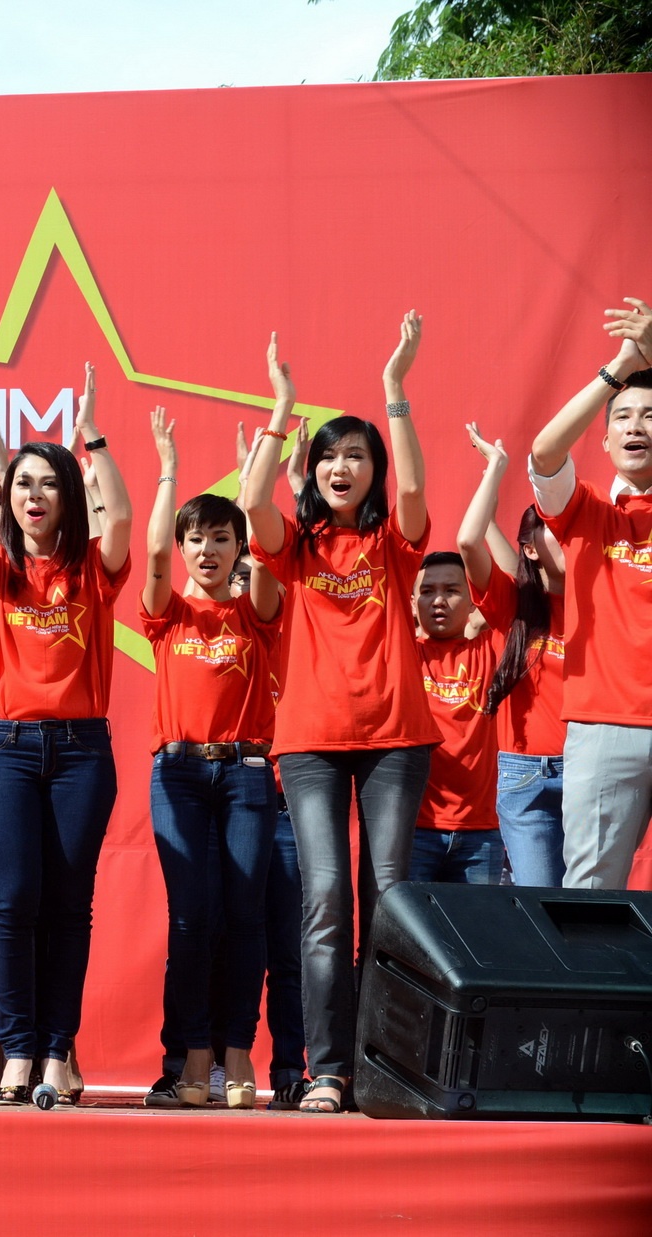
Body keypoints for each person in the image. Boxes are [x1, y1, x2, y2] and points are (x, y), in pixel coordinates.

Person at [240, 320, 439, 1115]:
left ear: (372, 470)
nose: (341, 467)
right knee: (324, 900)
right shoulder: (295, 549)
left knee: (388, 899)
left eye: (355, 456)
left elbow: (416, 494)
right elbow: (251, 500)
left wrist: (395, 390)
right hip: (310, 744)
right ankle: (329, 1070)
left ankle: (386, 1065)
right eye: (329, 456)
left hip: (395, 739)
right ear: (313, 470)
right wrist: (282, 406)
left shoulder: (394, 542)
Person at [0, 364, 131, 1109]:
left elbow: (122, 521)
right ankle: (18, 1049)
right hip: (3, 748)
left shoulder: (91, 570)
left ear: (67, 496)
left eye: (48, 483)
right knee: (12, 900)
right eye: (22, 484)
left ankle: (59, 1050)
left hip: (81, 752)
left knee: (68, 904)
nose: (33, 495)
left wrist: (93, 438)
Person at [138, 407, 282, 1108]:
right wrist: (168, 469)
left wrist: (253, 485)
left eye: (220, 538)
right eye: (196, 538)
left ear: (237, 546)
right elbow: (153, 556)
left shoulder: (256, 610)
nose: (207, 549)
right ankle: (192, 1054)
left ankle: (237, 1051)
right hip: (179, 775)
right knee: (192, 916)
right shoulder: (168, 613)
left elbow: (269, 561)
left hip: (248, 774)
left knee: (245, 917)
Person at [526, 296, 652, 889]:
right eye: (623, 416)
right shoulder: (587, 511)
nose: (636, 427)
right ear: (604, 441)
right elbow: (544, 452)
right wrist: (619, 368)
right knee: (591, 894)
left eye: (650, 415)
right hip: (606, 725)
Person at [404, 425, 520, 884]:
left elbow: (512, 580)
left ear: (474, 600)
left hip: (482, 833)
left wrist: (490, 487)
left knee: (478, 932)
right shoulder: (400, 651)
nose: (438, 600)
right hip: (413, 830)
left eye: (452, 590)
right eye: (427, 591)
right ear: (411, 600)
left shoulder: (492, 647)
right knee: (409, 930)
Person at [485, 504, 568, 888]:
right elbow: (471, 541)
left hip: (588, 766)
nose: (566, 537)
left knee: (590, 902)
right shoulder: (519, 609)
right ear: (531, 547)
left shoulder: (600, 603)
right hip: (525, 773)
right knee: (540, 899)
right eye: (553, 528)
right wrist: (492, 479)